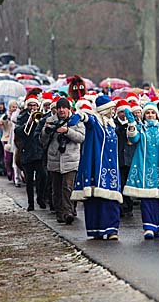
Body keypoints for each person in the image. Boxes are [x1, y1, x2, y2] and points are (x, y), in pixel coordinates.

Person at [123, 103, 159, 239]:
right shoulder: (141, 128)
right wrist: (131, 124)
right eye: (147, 113)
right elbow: (133, 138)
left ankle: (157, 225)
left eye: (152, 113)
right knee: (147, 198)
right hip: (145, 167)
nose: (150, 115)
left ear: (156, 115)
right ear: (144, 115)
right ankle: (148, 227)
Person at [72, 95, 122, 240]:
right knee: (96, 199)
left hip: (111, 166)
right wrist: (80, 115)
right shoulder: (95, 122)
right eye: (111, 108)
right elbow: (87, 119)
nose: (113, 111)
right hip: (96, 166)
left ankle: (112, 229)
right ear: (104, 109)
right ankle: (97, 229)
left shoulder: (112, 125)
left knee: (111, 199)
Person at [41, 98, 85, 224]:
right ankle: (60, 213)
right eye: (59, 108)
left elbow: (81, 137)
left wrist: (67, 131)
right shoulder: (50, 120)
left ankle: (68, 212)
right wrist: (46, 130)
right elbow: (43, 140)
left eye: (63, 108)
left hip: (70, 159)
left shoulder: (76, 120)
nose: (61, 110)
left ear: (69, 108)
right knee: (56, 188)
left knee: (68, 187)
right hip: (54, 158)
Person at [14, 94, 47, 211]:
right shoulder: (22, 116)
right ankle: (30, 203)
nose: (33, 107)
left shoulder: (41, 116)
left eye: (35, 105)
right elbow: (17, 131)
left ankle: (40, 198)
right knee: (29, 179)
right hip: (26, 151)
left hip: (38, 151)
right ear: (27, 106)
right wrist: (28, 123)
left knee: (42, 175)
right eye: (30, 105)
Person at [114, 99, 136, 217]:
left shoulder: (132, 123)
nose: (123, 114)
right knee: (121, 182)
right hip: (120, 156)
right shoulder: (115, 123)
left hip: (130, 157)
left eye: (125, 112)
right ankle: (123, 206)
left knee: (129, 183)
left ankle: (129, 205)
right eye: (121, 112)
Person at [0, 100, 18, 181]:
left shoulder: (18, 115)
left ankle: (15, 176)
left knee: (15, 157)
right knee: (8, 157)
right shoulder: (5, 116)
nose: (14, 108)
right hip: (6, 138)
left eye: (16, 107)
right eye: (13, 107)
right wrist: (4, 120)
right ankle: (8, 170)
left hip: (15, 138)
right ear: (9, 107)